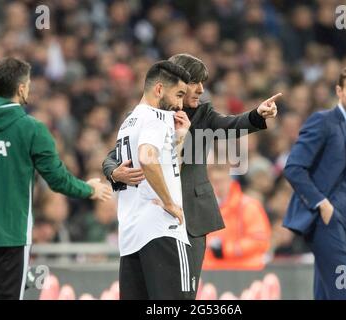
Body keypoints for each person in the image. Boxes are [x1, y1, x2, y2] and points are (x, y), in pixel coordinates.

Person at [102, 53, 280, 297]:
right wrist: (114, 172)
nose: (200, 89)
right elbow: (115, 155)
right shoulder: (150, 115)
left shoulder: (201, 115)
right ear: (176, 82)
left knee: (182, 292)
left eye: (201, 83)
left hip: (189, 218)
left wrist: (257, 115)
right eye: (195, 82)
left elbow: (231, 125)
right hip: (158, 217)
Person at [0, 57, 111, 300]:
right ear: (21, 88)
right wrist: (89, 189)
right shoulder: (31, 129)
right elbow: (57, 179)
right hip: (10, 235)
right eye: (29, 84)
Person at [283, 66, 346, 300]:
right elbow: (294, 167)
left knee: (326, 294)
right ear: (339, 91)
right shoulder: (323, 121)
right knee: (345, 292)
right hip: (327, 221)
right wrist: (321, 204)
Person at [116, 60, 193, 299]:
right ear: (159, 89)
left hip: (131, 236)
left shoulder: (128, 123)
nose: (180, 104)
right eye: (179, 94)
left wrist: (179, 140)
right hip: (162, 229)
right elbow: (148, 159)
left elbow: (162, 165)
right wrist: (169, 202)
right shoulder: (157, 117)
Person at [202, 162, 271, 270]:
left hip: (244, 271)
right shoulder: (203, 208)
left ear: (230, 180)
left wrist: (226, 249)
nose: (217, 186)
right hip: (211, 271)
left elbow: (260, 241)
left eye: (221, 181)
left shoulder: (248, 206)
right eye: (213, 181)